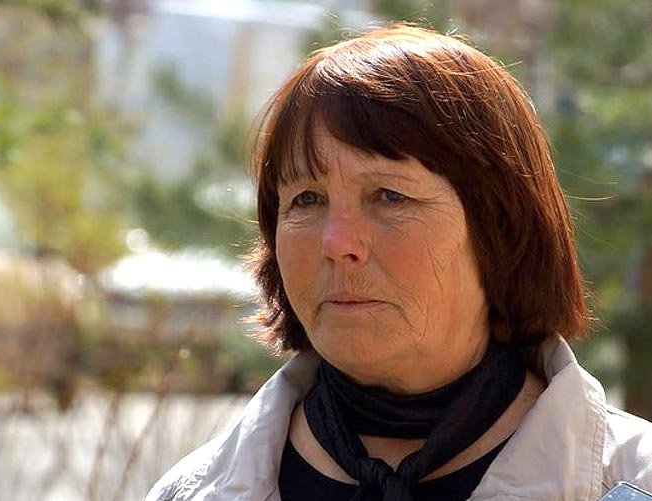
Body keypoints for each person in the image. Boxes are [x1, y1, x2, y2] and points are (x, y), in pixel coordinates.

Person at [146, 24, 652, 501]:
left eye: (389, 196)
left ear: (500, 229)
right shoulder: (191, 491)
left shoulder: (629, 481)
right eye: (306, 199)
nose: (337, 242)